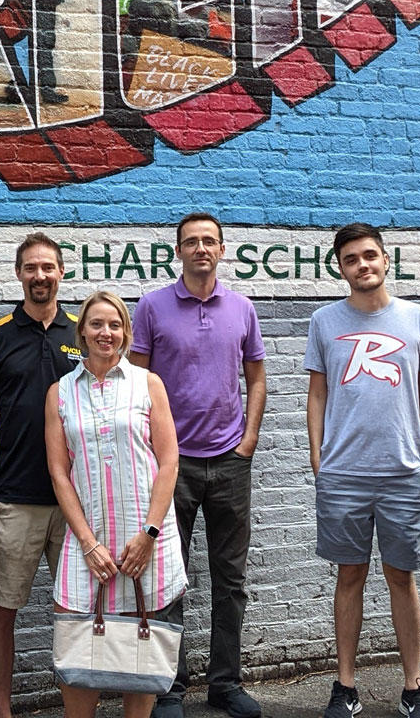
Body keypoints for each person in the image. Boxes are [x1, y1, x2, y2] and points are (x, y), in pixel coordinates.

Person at [130, 214, 267, 718]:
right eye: (192, 242)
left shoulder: (242, 308)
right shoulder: (152, 307)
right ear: (178, 251)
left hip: (230, 462)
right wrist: (152, 450)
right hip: (173, 465)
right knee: (168, 578)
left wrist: (248, 440)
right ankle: (169, 687)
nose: (201, 249)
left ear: (222, 249)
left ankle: (225, 684)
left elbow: (256, 379)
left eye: (209, 241)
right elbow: (136, 386)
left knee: (230, 581)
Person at [306, 223, 420, 718]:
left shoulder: (418, 319)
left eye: (370, 256)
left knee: (402, 578)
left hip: (404, 473)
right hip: (343, 473)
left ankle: (414, 685)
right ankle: (345, 686)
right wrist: (317, 456)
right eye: (351, 259)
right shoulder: (323, 321)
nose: (362, 265)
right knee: (350, 576)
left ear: (386, 260)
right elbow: (318, 393)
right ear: (340, 268)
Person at [44, 291, 186, 718]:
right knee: (78, 657)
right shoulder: (60, 393)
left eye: (115, 325)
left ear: (126, 332)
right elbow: (58, 473)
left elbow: (169, 462)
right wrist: (87, 543)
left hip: (145, 542)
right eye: (97, 324)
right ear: (81, 332)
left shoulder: (148, 383)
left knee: (138, 663)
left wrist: (149, 534)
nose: (106, 333)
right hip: (87, 544)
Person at [0, 233, 83, 718]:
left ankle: (76, 704)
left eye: (49, 267)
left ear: (61, 273)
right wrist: (2, 459)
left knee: (75, 611)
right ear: (19, 274)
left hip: (77, 499)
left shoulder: (82, 333)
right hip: (16, 496)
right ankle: (3, 710)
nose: (40, 276)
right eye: (31, 268)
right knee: (4, 609)